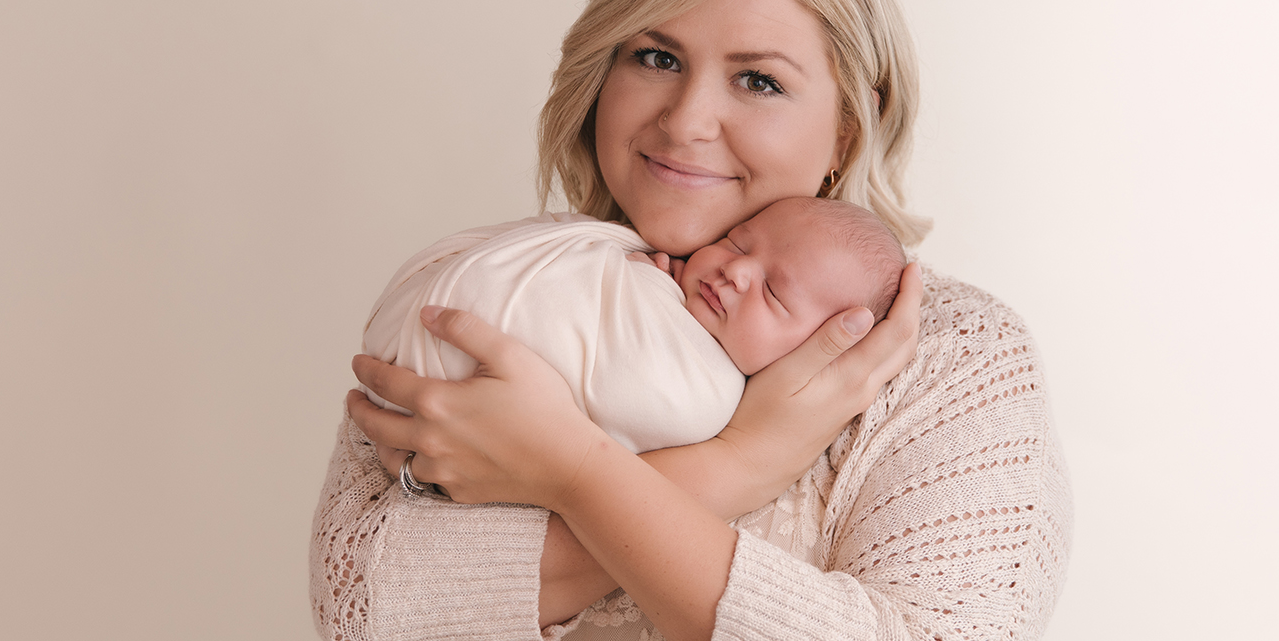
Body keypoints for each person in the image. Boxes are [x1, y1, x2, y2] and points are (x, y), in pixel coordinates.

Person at [310, 0, 1072, 641]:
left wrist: (573, 472)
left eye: (757, 81)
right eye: (655, 57)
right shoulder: (512, 295)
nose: (686, 118)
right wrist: (732, 469)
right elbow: (365, 608)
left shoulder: (946, 359)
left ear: (849, 120)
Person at [358, 196, 906, 457]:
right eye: (739, 241)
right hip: (423, 340)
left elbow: (636, 396)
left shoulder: (706, 396)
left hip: (435, 367)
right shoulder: (653, 258)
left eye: (774, 292)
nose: (736, 270)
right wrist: (641, 279)